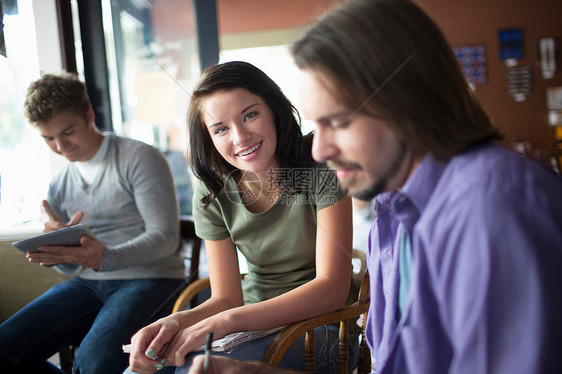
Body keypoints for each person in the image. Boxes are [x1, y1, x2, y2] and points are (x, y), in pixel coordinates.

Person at [187, 0, 562, 373]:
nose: (319, 148)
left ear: (405, 101)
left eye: (339, 121)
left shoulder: (492, 203)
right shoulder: (392, 209)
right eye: (318, 123)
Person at [125, 61, 358, 374]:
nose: (240, 137)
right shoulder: (211, 191)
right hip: (248, 324)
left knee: (197, 369)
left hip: (323, 328)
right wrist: (171, 323)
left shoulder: (320, 168)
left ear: (274, 110)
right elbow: (225, 297)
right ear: (208, 138)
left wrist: (226, 321)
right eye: (221, 128)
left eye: (250, 114)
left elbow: (331, 288)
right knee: (150, 368)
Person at [0, 72, 186, 374]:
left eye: (68, 131)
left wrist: (104, 258)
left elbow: (165, 239)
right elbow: (72, 268)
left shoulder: (139, 158)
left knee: (93, 363)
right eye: (48, 138)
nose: (60, 146)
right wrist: (58, 252)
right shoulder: (59, 184)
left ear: (88, 114)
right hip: (89, 284)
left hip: (152, 278)